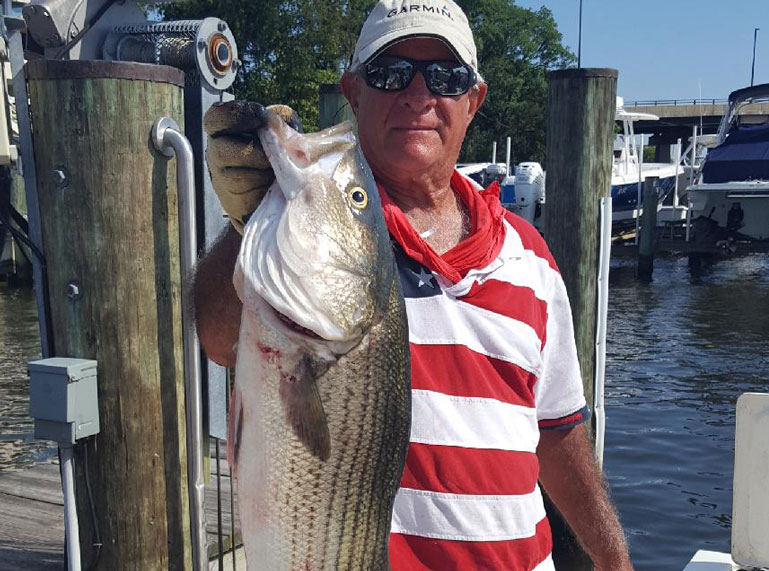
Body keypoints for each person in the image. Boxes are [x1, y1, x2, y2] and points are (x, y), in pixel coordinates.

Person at [195, 0, 634, 569]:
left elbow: (558, 431)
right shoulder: (303, 239)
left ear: (473, 101)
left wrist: (615, 559)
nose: (418, 94)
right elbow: (218, 333)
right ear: (353, 92)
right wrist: (247, 225)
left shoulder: (533, 260)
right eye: (390, 72)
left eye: (446, 77)